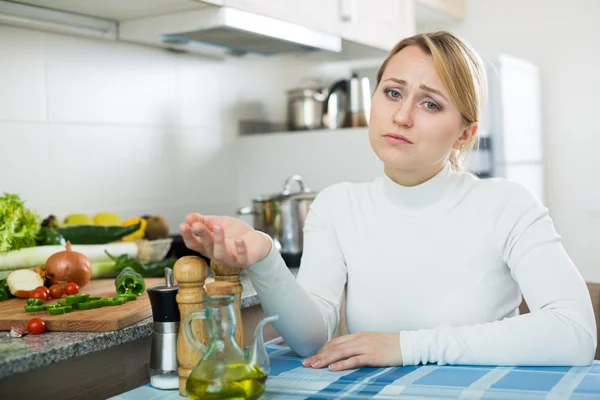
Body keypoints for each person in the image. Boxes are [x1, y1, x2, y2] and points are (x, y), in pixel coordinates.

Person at [179, 31, 596, 370]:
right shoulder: (337, 206)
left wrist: (407, 346)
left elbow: (575, 333)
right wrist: (265, 256)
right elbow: (311, 339)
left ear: (465, 134)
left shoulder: (507, 205)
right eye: (393, 93)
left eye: (430, 103)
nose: (402, 116)